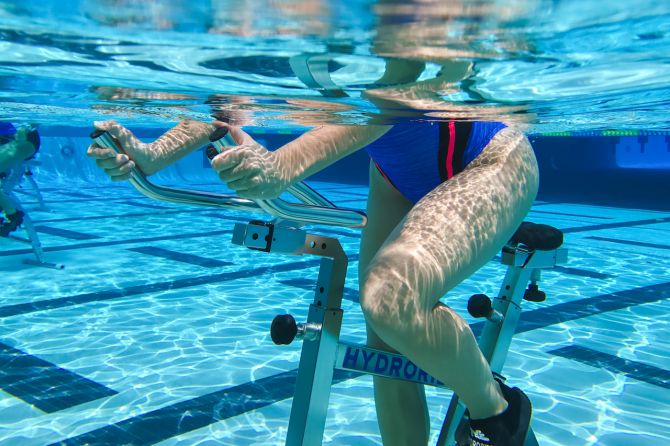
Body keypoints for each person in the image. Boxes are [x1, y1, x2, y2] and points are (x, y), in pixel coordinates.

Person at [87, 112, 538, 446]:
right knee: (383, 334)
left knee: (391, 297)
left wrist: (280, 167)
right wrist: (147, 156)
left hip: (489, 156)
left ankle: (497, 414)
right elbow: (217, 113)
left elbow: (395, 96)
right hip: (397, 170)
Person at [0, 123, 40, 237]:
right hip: (15, 139)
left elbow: (30, 123)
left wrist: (24, 129)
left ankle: (13, 216)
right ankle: (12, 215)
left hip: (23, 140)